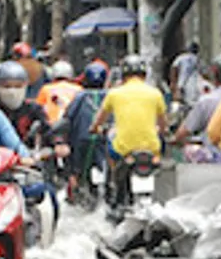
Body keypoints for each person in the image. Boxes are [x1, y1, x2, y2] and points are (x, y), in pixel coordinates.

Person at [90, 55, 169, 208]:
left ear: (123, 75)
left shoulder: (114, 94)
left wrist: (94, 129)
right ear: (144, 75)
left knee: (109, 145)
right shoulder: (155, 93)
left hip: (123, 149)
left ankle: (114, 179)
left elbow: (99, 120)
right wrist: (162, 131)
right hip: (151, 149)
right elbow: (163, 125)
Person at [0, 60, 62, 228]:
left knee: (49, 196)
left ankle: (48, 237)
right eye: (7, 86)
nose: (12, 91)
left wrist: (57, 144)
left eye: (18, 86)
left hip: (27, 168)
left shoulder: (34, 110)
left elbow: (49, 131)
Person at [60, 59, 110, 200]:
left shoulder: (80, 96)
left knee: (73, 167)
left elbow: (68, 116)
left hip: (81, 141)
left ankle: (74, 188)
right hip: (103, 140)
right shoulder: (110, 95)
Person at [179, 52, 221, 160]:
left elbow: (183, 132)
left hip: (215, 161)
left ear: (215, 73)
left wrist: (176, 139)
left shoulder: (207, 101)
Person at [37, 60, 80, 126]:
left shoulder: (46, 89)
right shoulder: (79, 89)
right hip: (72, 126)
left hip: (51, 126)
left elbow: (38, 108)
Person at [168, 41, 204, 108]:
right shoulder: (198, 60)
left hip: (182, 84)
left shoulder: (181, 57)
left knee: (179, 103)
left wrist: (173, 82)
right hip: (195, 85)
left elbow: (173, 68)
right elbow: (203, 73)